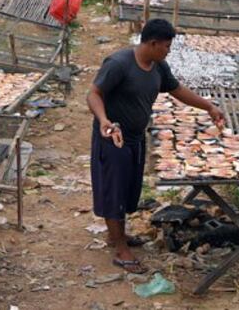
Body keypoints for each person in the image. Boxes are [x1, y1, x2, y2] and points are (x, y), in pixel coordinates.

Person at [87, 19, 225, 274]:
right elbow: (94, 93)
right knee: (113, 192)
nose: (168, 51)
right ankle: (121, 250)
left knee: (128, 191)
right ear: (152, 43)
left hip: (136, 138)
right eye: (166, 46)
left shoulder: (158, 66)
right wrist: (104, 120)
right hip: (114, 138)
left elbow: (176, 89)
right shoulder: (119, 64)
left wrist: (208, 106)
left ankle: (117, 235)